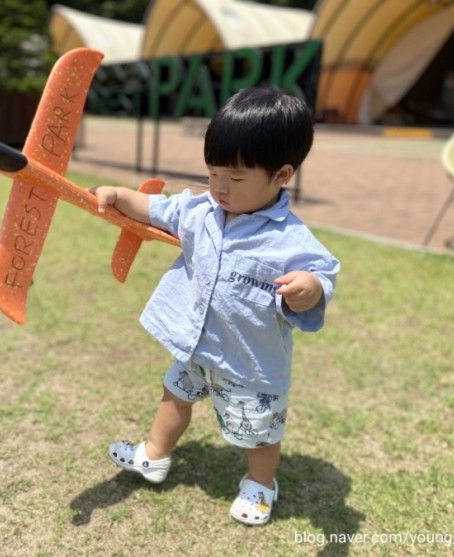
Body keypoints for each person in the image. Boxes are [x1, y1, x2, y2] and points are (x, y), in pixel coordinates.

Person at [93, 86, 340, 526]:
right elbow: (155, 208)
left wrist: (310, 287)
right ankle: (153, 455)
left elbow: (322, 273)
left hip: (247, 358)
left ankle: (261, 484)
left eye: (237, 178)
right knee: (174, 395)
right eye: (213, 174)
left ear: (282, 175)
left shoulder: (290, 239)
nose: (220, 188)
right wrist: (118, 194)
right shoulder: (200, 211)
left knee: (257, 430)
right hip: (194, 342)